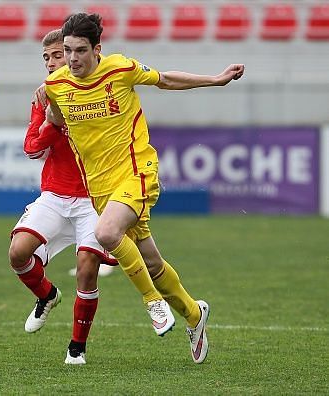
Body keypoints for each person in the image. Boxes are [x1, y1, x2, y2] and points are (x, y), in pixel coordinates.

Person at [45, 13, 245, 363]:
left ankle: (152, 301)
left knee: (107, 233)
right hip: (101, 186)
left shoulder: (120, 69)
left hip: (137, 170)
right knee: (151, 261)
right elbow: (55, 119)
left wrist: (215, 80)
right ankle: (195, 315)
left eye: (79, 50)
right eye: (67, 50)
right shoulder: (57, 86)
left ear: (97, 49)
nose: (72, 58)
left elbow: (165, 79)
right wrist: (47, 110)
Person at [9, 29, 116, 365]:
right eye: (48, 57)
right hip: (55, 194)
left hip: (94, 198)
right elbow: (31, 148)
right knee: (18, 253)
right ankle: (48, 295)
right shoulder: (43, 97)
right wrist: (52, 122)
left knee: (87, 269)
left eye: (59, 55)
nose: (54, 62)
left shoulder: (97, 90)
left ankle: (76, 348)